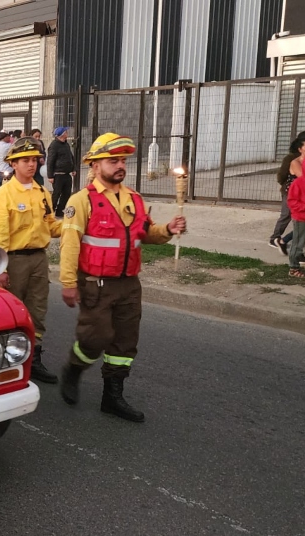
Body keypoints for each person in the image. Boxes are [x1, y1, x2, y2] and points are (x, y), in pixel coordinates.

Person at [58, 133, 186, 422]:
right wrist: (68, 283)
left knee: (125, 344)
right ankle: (74, 368)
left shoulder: (135, 198)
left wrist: (168, 229)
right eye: (113, 160)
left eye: (123, 161)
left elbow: (146, 233)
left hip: (129, 284)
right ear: (95, 165)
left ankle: (112, 396)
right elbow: (69, 244)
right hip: (95, 283)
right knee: (96, 337)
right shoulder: (81, 201)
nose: (120, 166)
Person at [0, 138, 60, 384]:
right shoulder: (3, 195)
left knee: (38, 310)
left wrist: (74, 224)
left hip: (38, 258)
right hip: (14, 261)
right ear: (13, 164)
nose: (31, 164)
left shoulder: (42, 192)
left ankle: (34, 359)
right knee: (10, 311)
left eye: (34, 160)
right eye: (25, 160)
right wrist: (0, 268)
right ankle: (5, 359)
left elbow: (51, 225)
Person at [271, 132, 305, 253]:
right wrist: (287, 186)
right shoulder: (292, 159)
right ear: (300, 146)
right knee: (287, 216)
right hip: (291, 192)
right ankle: (276, 238)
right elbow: (281, 176)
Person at [46, 126, 76, 218]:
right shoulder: (54, 145)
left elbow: (71, 157)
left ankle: (60, 211)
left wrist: (73, 168)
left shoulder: (66, 144)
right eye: (66, 132)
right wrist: (50, 175)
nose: (67, 133)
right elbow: (50, 161)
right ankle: (51, 211)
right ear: (62, 134)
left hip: (67, 174)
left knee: (66, 193)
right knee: (56, 193)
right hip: (58, 175)